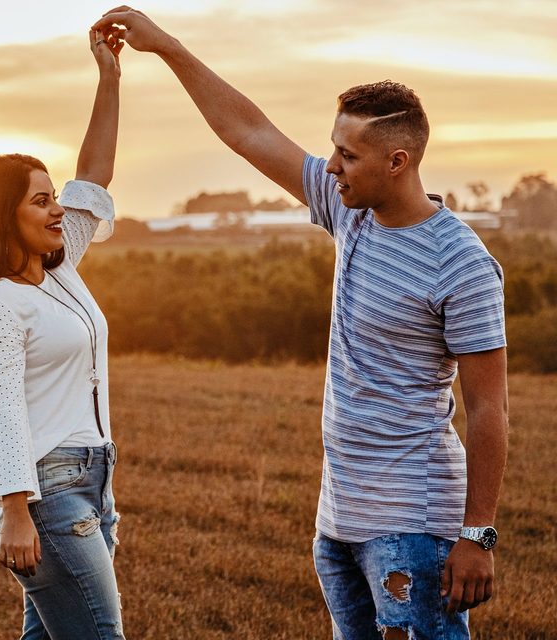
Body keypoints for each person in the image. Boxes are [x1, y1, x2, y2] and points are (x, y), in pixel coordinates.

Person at [93, 7, 508, 639]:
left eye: (348, 155)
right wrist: (167, 47)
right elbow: (249, 132)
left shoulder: (462, 262)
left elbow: (488, 408)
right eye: (334, 150)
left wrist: (477, 535)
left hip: (413, 524)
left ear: (398, 161)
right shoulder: (351, 214)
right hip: (338, 522)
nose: (332, 166)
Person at [0, 27, 126, 640]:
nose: (57, 210)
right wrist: (15, 511)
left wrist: (109, 77)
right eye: (41, 201)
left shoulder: (58, 270)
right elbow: (9, 413)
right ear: (5, 217)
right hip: (49, 493)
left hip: (94, 481)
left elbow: (93, 178)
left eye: (53, 198)